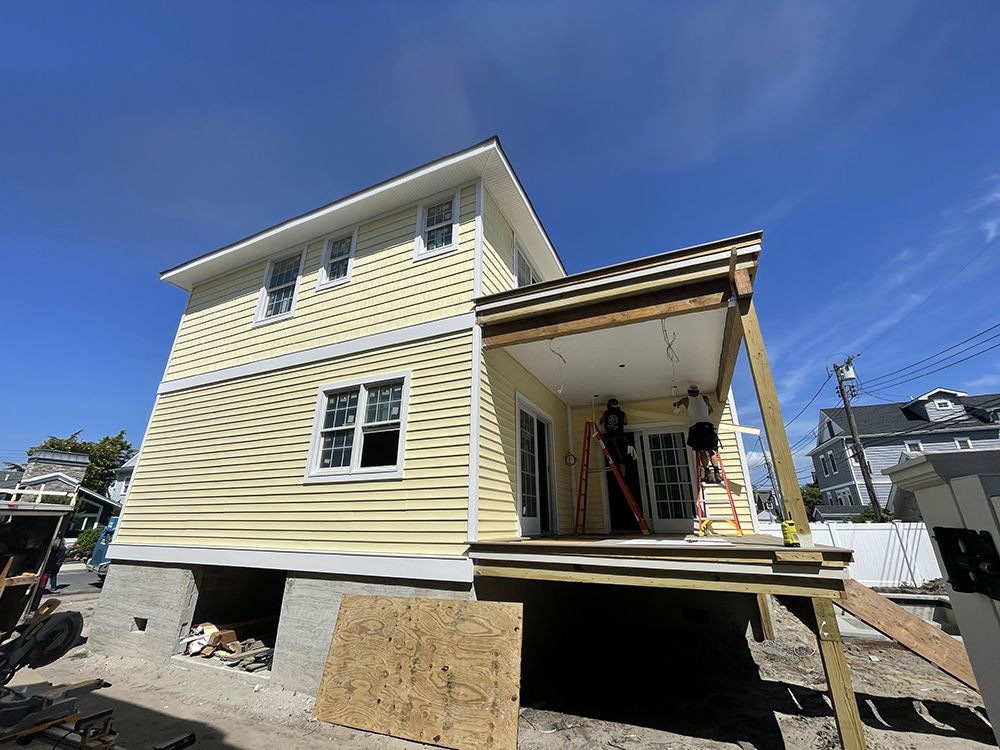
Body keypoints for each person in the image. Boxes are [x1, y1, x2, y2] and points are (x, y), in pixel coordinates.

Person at [673, 384, 723, 484]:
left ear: (688, 392)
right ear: (698, 392)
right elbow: (711, 410)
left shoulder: (686, 400)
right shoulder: (704, 398)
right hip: (708, 427)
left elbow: (675, 405)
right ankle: (717, 473)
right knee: (711, 451)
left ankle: (708, 474)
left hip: (696, 428)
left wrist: (677, 403)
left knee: (702, 451)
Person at [599, 398, 630, 467]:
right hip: (620, 438)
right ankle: (622, 476)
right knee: (621, 458)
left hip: (609, 438)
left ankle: (616, 471)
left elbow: (601, 422)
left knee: (612, 457)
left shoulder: (606, 413)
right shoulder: (622, 413)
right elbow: (626, 423)